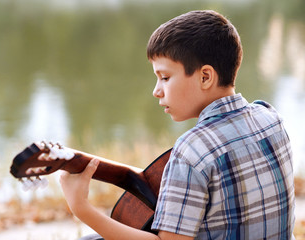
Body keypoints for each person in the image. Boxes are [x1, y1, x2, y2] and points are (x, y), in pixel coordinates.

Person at [58, 10, 295, 239]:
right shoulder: (270, 117)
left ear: (205, 77)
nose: (156, 91)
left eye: (165, 77)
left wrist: (82, 208)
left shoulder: (191, 151)